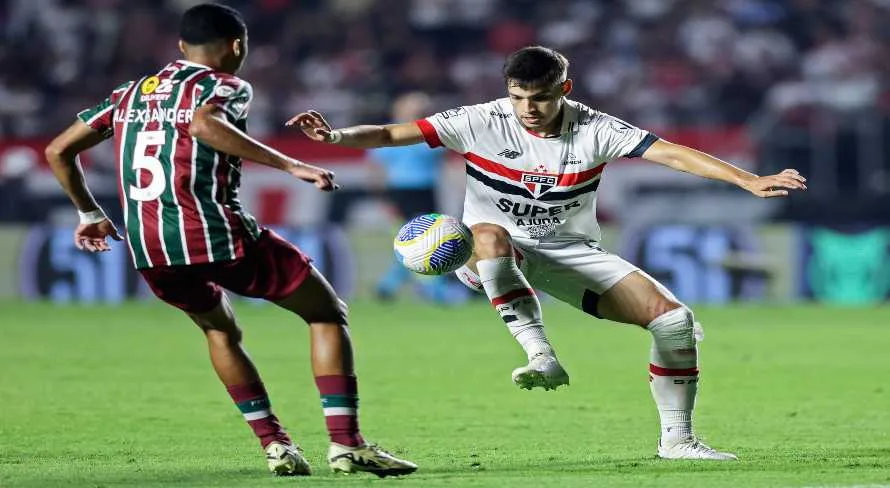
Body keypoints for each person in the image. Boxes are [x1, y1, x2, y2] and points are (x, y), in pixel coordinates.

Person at [288, 45, 807, 461]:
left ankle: (677, 441)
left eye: (538, 97)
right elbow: (389, 133)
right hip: (488, 253)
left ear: (564, 89)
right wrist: (335, 134)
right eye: (517, 97)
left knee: (674, 323)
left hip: (570, 251)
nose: (527, 109)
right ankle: (541, 355)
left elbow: (670, 153)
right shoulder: (480, 120)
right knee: (488, 234)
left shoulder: (596, 128)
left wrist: (747, 179)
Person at [44, 3, 416, 478]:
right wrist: (291, 164)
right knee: (326, 312)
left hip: (152, 246)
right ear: (237, 46)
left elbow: (58, 149)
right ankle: (347, 445)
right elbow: (203, 125)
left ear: (181, 47)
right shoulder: (226, 84)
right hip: (215, 232)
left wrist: (89, 212)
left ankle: (276, 446)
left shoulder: (128, 93)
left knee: (219, 330)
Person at [364, 92, 465, 303]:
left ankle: (387, 286)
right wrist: (382, 198)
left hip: (427, 193)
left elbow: (447, 164)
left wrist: (459, 189)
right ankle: (434, 290)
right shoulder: (389, 133)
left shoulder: (431, 133)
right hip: (401, 194)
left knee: (426, 241)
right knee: (418, 243)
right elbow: (376, 168)